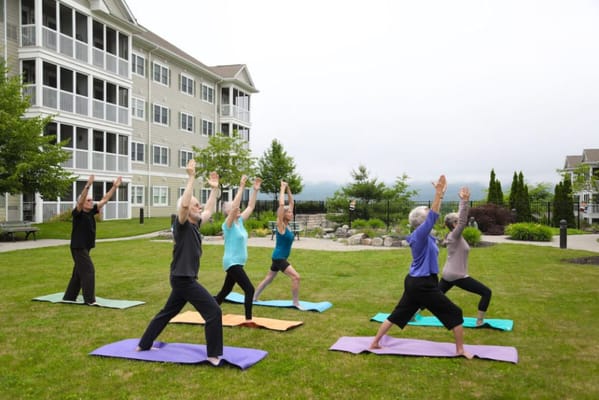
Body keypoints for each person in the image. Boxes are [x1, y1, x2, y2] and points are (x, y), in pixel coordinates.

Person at [370, 175, 473, 359]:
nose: (429, 212)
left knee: (398, 313)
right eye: (426, 212)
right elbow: (433, 216)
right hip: (422, 284)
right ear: (421, 220)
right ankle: (460, 350)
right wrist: (438, 194)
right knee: (455, 313)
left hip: (419, 282)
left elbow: (433, 215)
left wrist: (440, 197)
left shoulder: (425, 236)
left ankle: (375, 342)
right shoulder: (420, 234)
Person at [137, 160, 223, 366]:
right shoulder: (182, 224)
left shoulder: (195, 224)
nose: (198, 207)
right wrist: (191, 178)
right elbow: (184, 205)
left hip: (182, 278)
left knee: (168, 312)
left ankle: (144, 344)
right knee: (213, 311)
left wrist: (214, 190)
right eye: (196, 204)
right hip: (184, 279)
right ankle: (213, 354)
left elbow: (209, 209)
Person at [63, 175, 122, 305]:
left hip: (86, 246)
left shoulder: (91, 212)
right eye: (88, 200)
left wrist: (114, 187)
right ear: (83, 203)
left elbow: (105, 199)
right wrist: (88, 185)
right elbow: (80, 201)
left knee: (79, 272)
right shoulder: (77, 213)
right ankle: (89, 300)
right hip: (78, 247)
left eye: (91, 200)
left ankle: (69, 296)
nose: (91, 201)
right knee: (89, 271)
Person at [440, 187, 492, 326]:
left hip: (448, 274)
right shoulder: (455, 235)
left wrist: (462, 204)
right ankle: (480, 322)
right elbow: (462, 220)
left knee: (434, 297)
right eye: (457, 221)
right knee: (486, 292)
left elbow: (460, 218)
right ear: (454, 224)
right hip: (457, 275)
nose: (462, 222)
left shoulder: (453, 236)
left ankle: (413, 314)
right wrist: (464, 201)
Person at [213, 175, 262, 323]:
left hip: (238, 263)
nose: (238, 208)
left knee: (225, 291)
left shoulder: (240, 221)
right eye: (233, 208)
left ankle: (210, 309)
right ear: (228, 212)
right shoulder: (227, 226)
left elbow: (251, 206)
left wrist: (255, 190)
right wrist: (241, 186)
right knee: (249, 289)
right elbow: (235, 206)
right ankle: (248, 320)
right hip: (232, 262)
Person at [253, 180, 303, 309]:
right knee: (296, 277)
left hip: (278, 257)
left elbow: (291, 202)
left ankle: (254, 297)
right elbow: (282, 204)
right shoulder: (280, 225)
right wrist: (281, 188)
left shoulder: (287, 224)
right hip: (279, 258)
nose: (291, 214)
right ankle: (295, 302)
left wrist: (288, 189)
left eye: (291, 212)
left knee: (269, 278)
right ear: (283, 214)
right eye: (288, 212)